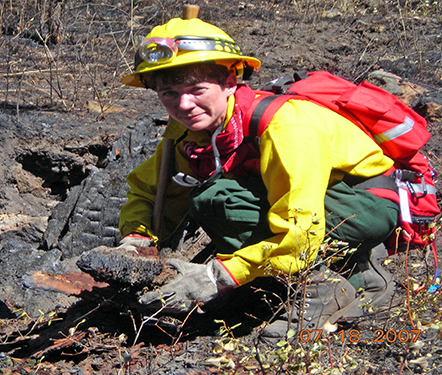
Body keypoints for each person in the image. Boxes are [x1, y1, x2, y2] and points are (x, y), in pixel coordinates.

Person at [113, 16, 399, 340]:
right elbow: (154, 191)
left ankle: (319, 289)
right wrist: (136, 240)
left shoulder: (285, 126)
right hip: (324, 200)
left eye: (197, 90)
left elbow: (302, 226)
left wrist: (219, 276)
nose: (183, 104)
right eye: (168, 93)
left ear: (230, 80)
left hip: (364, 203)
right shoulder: (193, 129)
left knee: (218, 199)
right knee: (217, 193)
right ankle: (360, 271)